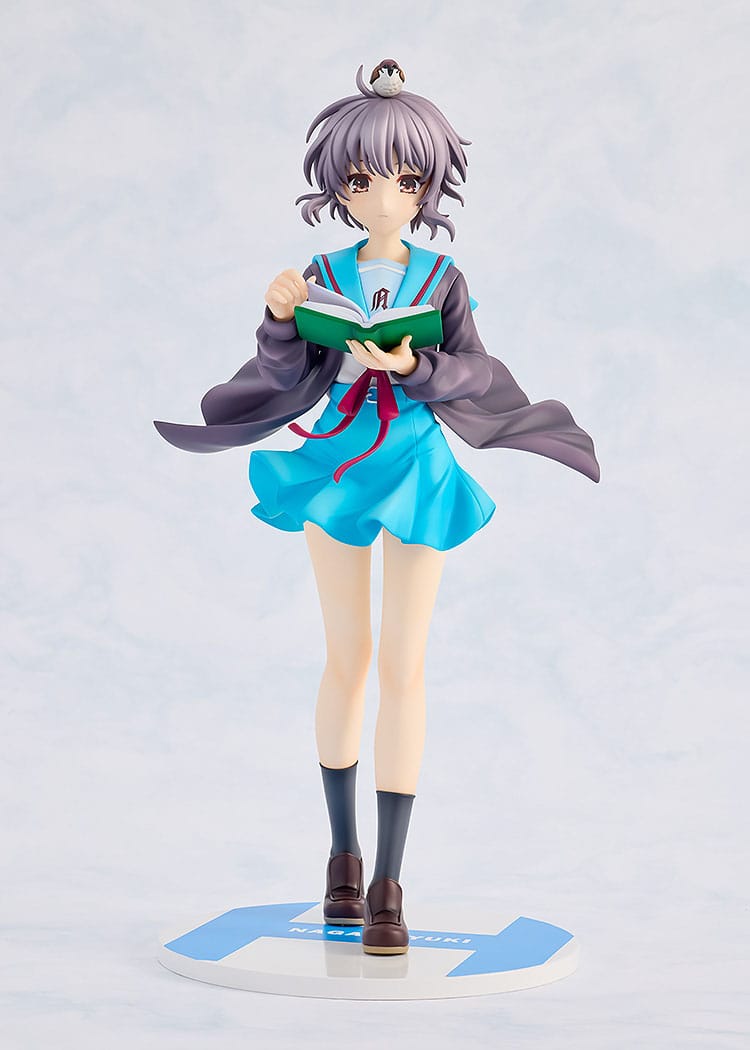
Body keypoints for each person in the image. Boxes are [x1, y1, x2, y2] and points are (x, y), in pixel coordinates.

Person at [154, 59, 600, 957]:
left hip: (418, 465)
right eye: (362, 180)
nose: (384, 197)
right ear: (339, 187)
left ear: (428, 184)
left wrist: (413, 366)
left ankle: (391, 877)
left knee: (404, 664)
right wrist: (281, 318)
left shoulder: (442, 278)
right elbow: (286, 370)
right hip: (337, 462)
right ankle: (342, 859)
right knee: (347, 658)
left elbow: (476, 369)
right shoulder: (322, 269)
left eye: (404, 178)